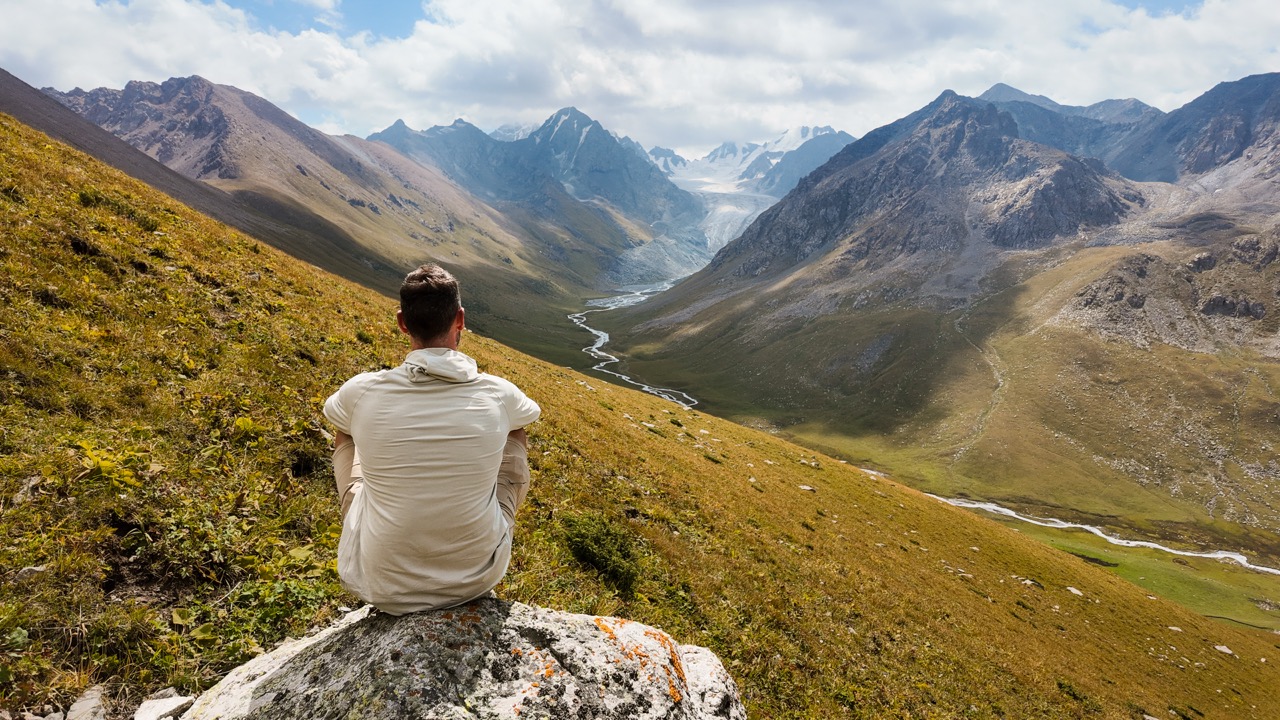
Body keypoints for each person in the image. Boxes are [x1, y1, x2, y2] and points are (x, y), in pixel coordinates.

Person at [323, 263, 541, 615]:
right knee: (515, 427)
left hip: (382, 584)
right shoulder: (499, 392)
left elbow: (337, 419)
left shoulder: (361, 391)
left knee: (346, 428)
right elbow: (526, 416)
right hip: (477, 576)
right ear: (460, 319)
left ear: (402, 322)